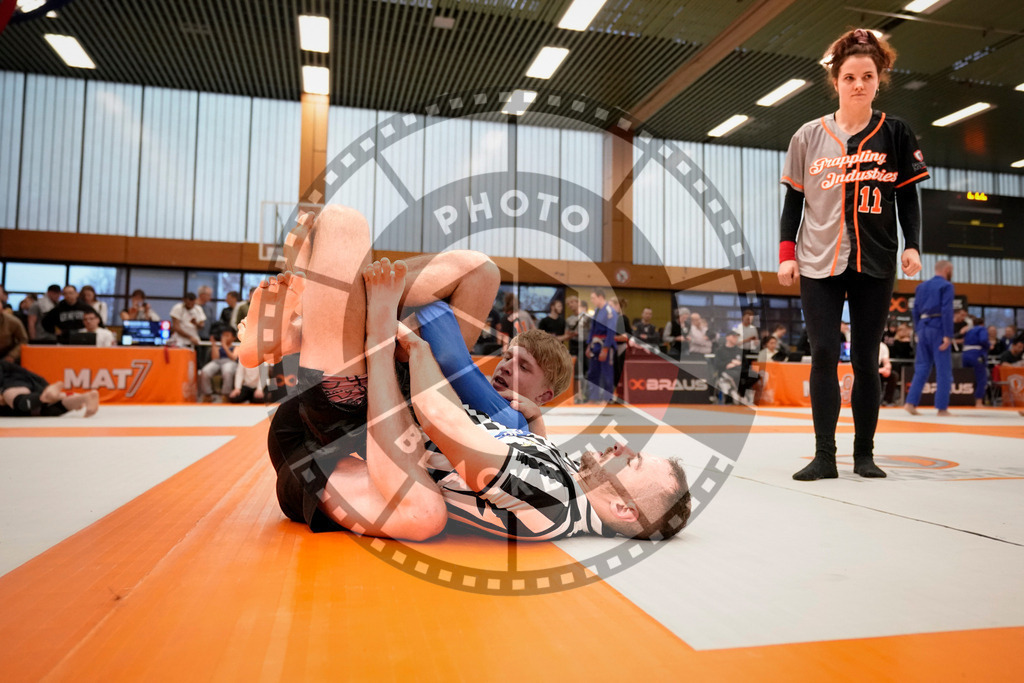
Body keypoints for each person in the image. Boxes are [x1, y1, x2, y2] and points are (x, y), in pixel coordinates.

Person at [237, 207, 688, 541]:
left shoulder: (554, 500)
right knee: (479, 270)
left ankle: (306, 322)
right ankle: (302, 324)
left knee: (344, 225)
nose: (624, 447)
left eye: (634, 461)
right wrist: (533, 420)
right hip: (376, 417)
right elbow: (522, 444)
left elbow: (440, 416)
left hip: (341, 431)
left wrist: (386, 330)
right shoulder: (567, 477)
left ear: (622, 509)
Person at [777, 28, 928, 480]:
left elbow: (908, 198)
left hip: (876, 262)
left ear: (879, 80)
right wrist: (787, 255)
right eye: (849, 77)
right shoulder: (807, 136)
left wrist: (914, 244)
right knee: (824, 351)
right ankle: (825, 456)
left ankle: (865, 454)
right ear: (836, 81)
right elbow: (792, 205)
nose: (858, 84)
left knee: (865, 358)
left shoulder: (896, 133)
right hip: (819, 260)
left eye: (867, 76)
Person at [904, 261, 954, 417]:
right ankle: (942, 408)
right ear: (947, 270)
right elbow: (946, 310)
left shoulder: (921, 287)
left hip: (923, 327)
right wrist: (948, 335)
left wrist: (918, 329)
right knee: (943, 370)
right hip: (938, 327)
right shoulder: (946, 286)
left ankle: (910, 403)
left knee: (922, 367)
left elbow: (915, 310)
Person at [0, 361, 99, 417]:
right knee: (51, 410)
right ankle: (84, 398)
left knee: (18, 401)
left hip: (16, 385)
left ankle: (50, 395)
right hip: (26, 406)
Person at [585, 288, 619, 402]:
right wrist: (589, 345)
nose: (592, 300)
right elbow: (592, 330)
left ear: (600, 297)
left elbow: (611, 331)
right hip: (596, 345)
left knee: (606, 373)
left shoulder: (610, 311)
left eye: (593, 298)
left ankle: (607, 399)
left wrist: (606, 348)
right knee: (593, 373)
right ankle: (593, 398)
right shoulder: (596, 311)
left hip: (605, 345)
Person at [199, 327, 238, 402]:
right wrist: (213, 344)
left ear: (233, 338)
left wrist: (225, 346)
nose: (224, 338)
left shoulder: (236, 346)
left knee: (227, 372)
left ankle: (226, 394)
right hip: (217, 362)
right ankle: (207, 394)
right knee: (205, 371)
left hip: (230, 362)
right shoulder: (218, 346)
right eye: (223, 336)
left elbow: (233, 357)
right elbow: (215, 357)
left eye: (227, 336)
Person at [960, 317, 989, 408]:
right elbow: (983, 340)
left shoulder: (969, 330)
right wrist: (989, 346)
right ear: (983, 323)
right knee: (981, 378)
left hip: (965, 354)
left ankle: (966, 400)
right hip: (976, 354)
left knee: (967, 377)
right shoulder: (982, 329)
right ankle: (979, 402)